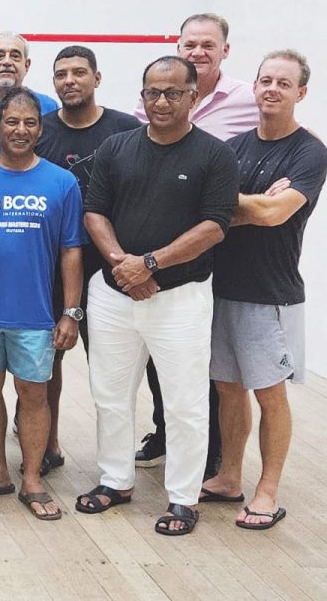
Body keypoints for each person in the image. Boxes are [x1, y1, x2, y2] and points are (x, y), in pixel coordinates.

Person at [79, 56, 238, 537]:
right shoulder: (115, 147)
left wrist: (150, 264)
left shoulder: (215, 155)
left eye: (172, 92)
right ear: (142, 95)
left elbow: (214, 226)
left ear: (193, 95)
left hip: (181, 299)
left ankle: (183, 498)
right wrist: (123, 266)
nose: (161, 101)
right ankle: (115, 481)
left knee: (185, 402)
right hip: (112, 294)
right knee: (110, 395)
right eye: (152, 92)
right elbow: (94, 212)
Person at [200, 50, 326, 529]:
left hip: (270, 295)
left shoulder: (309, 153)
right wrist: (249, 205)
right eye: (265, 80)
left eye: (284, 82)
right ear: (253, 87)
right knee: (228, 390)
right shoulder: (232, 146)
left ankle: (267, 490)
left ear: (301, 93)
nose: (272, 88)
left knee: (269, 395)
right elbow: (209, 211)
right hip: (221, 288)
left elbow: (276, 214)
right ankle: (229, 478)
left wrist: (238, 208)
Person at [133, 13, 259, 476]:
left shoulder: (248, 98)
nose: (198, 51)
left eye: (208, 44)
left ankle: (212, 456)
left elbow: (285, 139)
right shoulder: (149, 106)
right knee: (157, 355)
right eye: (190, 43)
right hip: (152, 255)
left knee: (203, 361)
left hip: (215, 248)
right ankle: (166, 433)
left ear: (225, 50)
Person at [0, 88, 83, 521]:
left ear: (40, 130)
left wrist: (71, 311)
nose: (20, 130)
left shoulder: (63, 183)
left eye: (30, 123)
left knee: (34, 394)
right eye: (12, 122)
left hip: (35, 315)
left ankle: (31, 478)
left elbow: (71, 251)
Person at [33, 46, 138, 473]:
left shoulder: (126, 129)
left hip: (113, 269)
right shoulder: (39, 130)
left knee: (112, 370)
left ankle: (116, 463)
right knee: (47, 363)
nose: (70, 80)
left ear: (97, 78)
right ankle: (48, 444)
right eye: (61, 74)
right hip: (51, 267)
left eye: (79, 73)